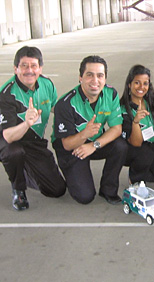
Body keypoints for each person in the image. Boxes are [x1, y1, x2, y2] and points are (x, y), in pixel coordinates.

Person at [0, 46, 66, 211]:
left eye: (34, 66)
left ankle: (22, 170)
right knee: (13, 152)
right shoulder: (6, 95)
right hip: (2, 139)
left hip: (32, 141)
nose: (29, 70)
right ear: (16, 69)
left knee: (56, 190)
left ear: (40, 68)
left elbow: (53, 106)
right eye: (24, 66)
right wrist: (27, 123)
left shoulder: (46, 84)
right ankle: (18, 189)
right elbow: (7, 136)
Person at [52, 55, 127, 205]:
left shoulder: (110, 94)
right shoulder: (65, 104)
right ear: (80, 78)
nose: (95, 80)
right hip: (71, 147)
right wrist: (85, 134)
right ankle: (71, 171)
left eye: (100, 75)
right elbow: (67, 144)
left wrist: (94, 145)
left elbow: (117, 129)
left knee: (120, 146)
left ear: (105, 79)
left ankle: (108, 190)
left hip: (93, 142)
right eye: (89, 75)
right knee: (85, 197)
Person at [120, 65, 154, 184]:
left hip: (152, 142)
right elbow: (136, 142)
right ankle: (135, 177)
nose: (141, 87)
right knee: (145, 154)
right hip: (132, 148)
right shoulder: (123, 109)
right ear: (129, 84)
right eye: (137, 83)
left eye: (145, 83)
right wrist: (136, 122)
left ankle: (145, 173)